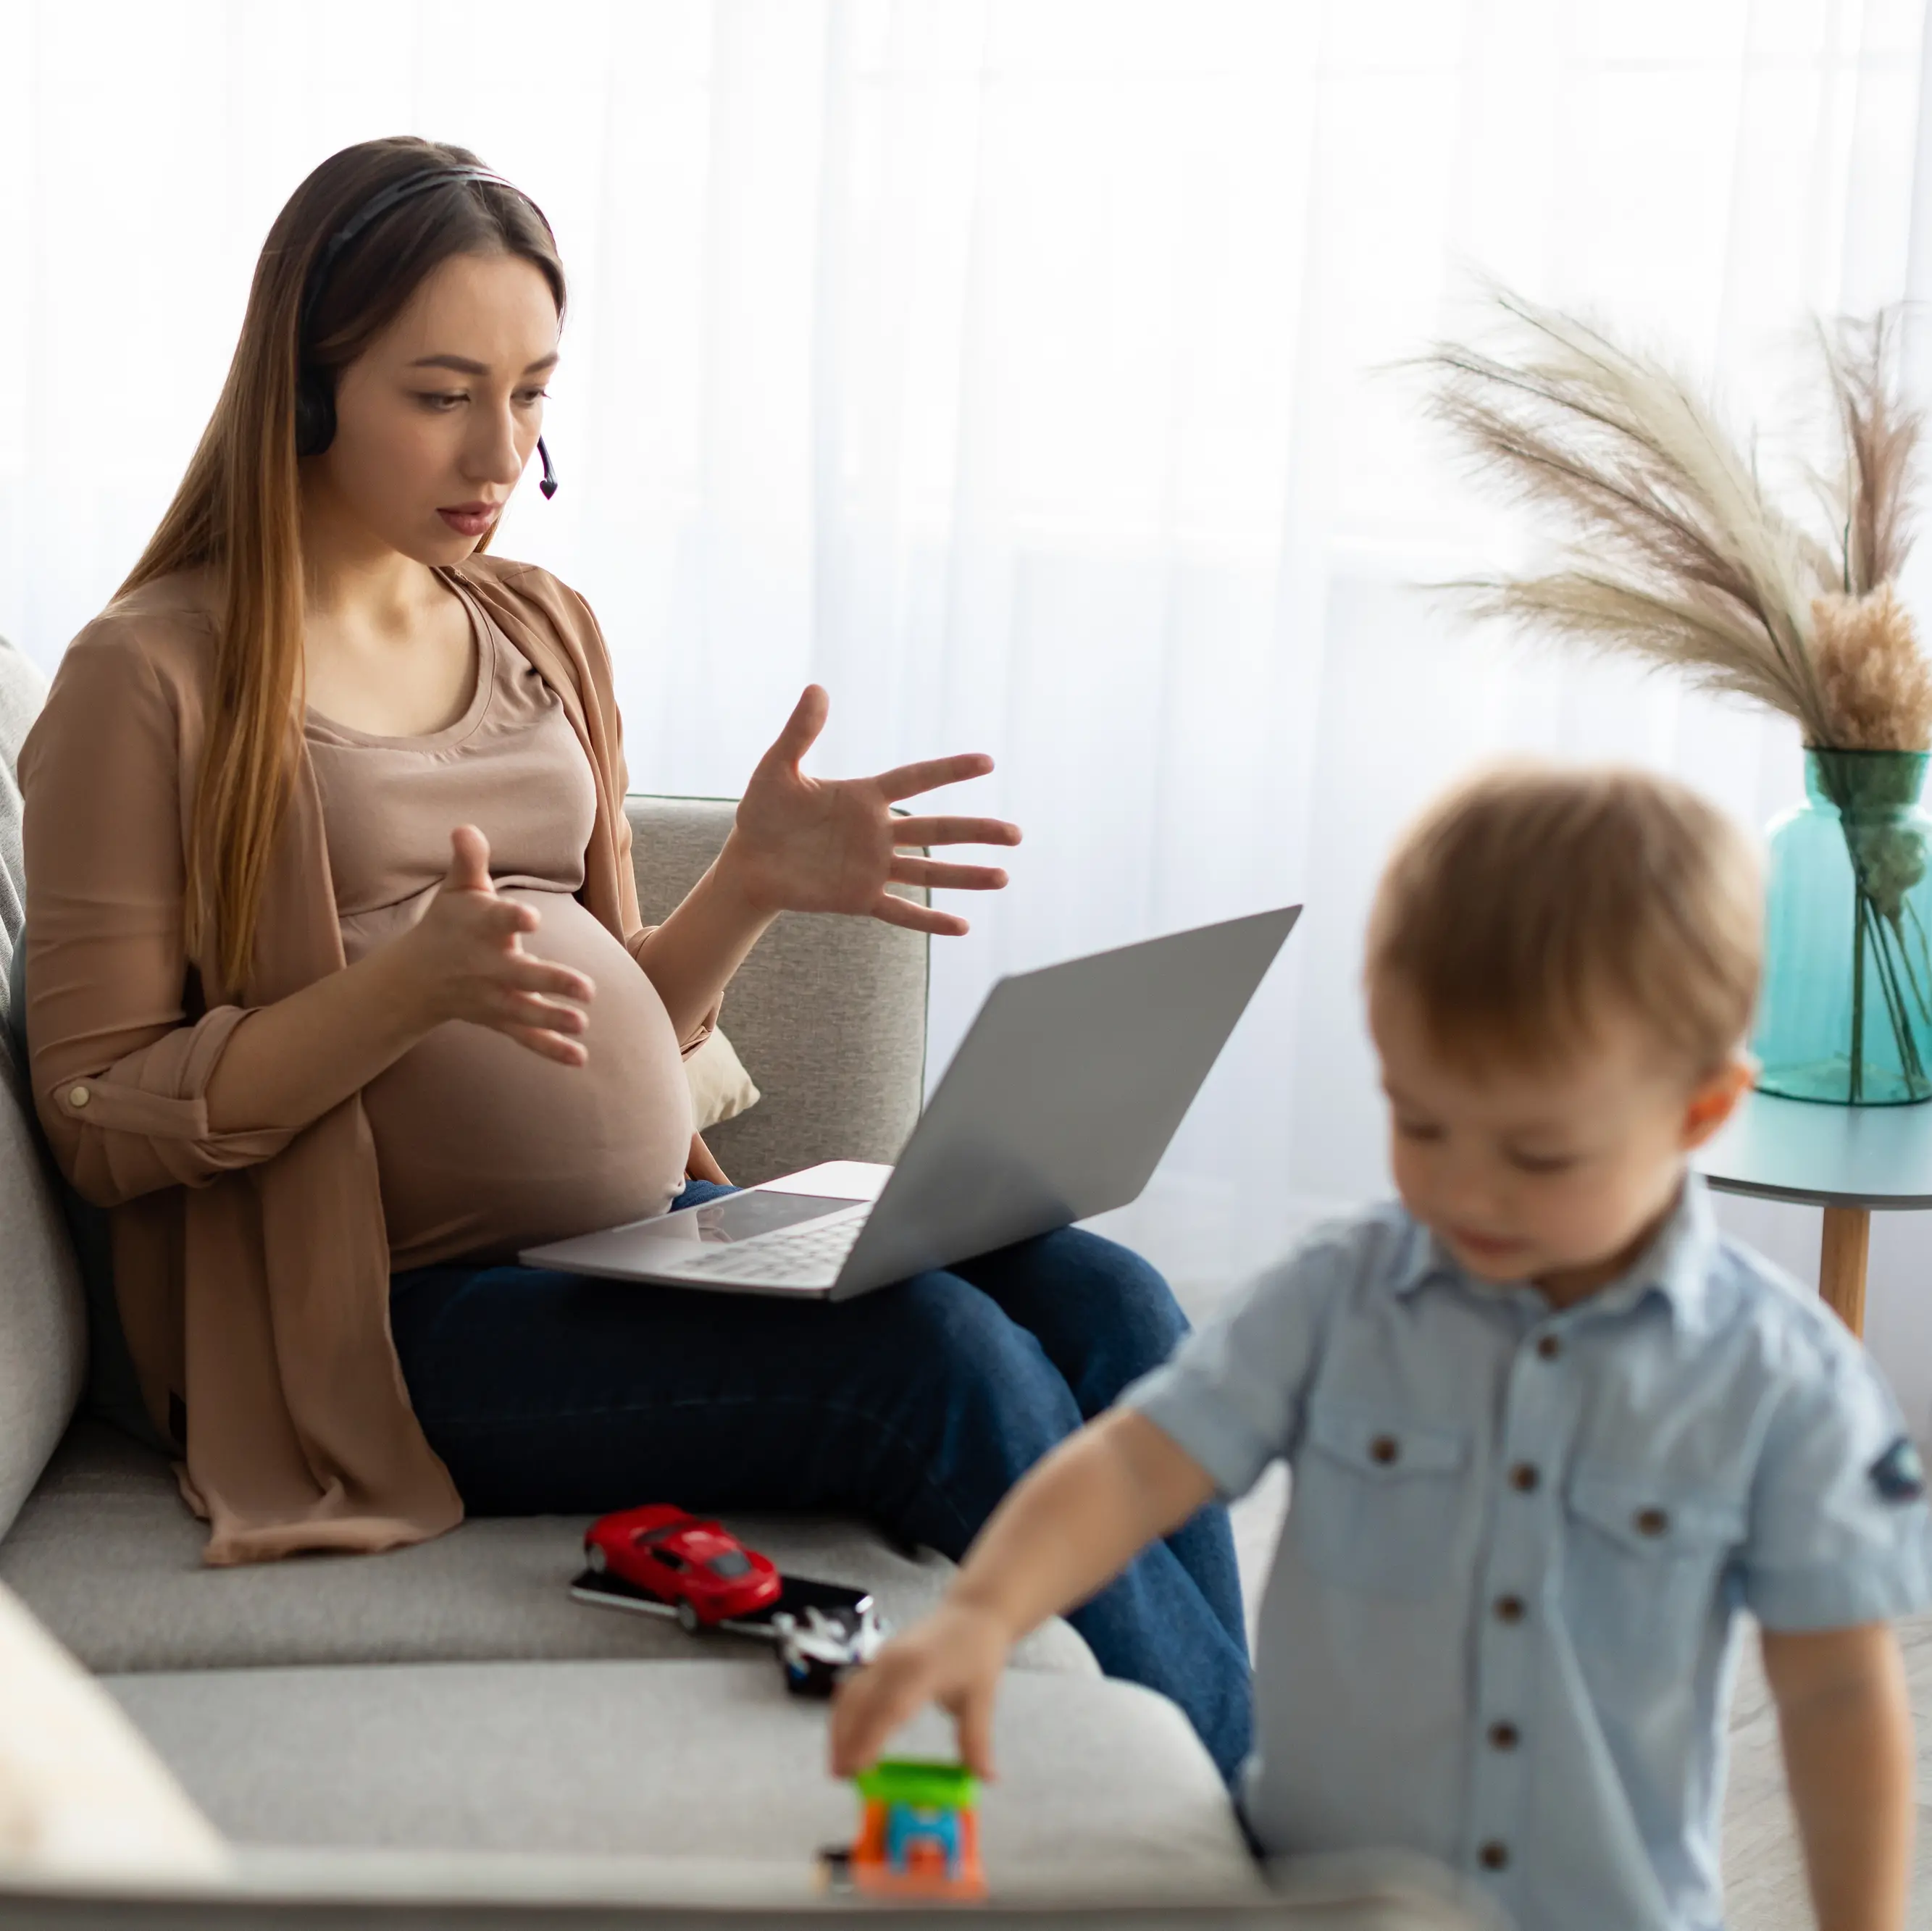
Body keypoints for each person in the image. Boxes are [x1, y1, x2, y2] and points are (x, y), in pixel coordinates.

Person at [16, 135, 1248, 1777]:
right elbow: (99, 1113)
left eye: (532, 394)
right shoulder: (152, 674)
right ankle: (1249, 1835)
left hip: (641, 1234)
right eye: (440, 393)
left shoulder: (537, 623)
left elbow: (610, 1038)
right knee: (930, 1368)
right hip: (383, 1321)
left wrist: (748, 885)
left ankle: (1223, 1774)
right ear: (304, 391)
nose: (500, 453)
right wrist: (393, 996)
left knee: (1108, 1295)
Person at [832, 764, 1932, 1931]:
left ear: (1699, 1113)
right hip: (1318, 1899)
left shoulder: (1784, 1382)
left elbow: (1831, 1689)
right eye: (1419, 1120)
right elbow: (1138, 1462)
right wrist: (982, 1609)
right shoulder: (1338, 1296)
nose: (1462, 1185)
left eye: (1537, 1154)